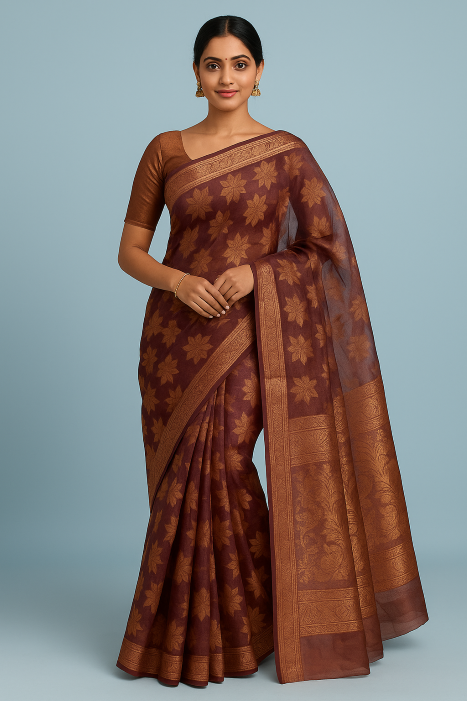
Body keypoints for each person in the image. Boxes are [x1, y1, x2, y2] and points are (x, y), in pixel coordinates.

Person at [115, 15, 428, 687]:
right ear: (195, 74)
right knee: (181, 484)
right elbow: (130, 250)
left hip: (250, 337)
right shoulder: (164, 150)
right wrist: (179, 282)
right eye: (212, 64)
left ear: (259, 73)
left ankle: (250, 621)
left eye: (239, 64)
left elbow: (326, 249)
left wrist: (258, 273)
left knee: (225, 466)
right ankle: (196, 630)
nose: (225, 77)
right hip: (174, 340)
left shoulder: (287, 153)